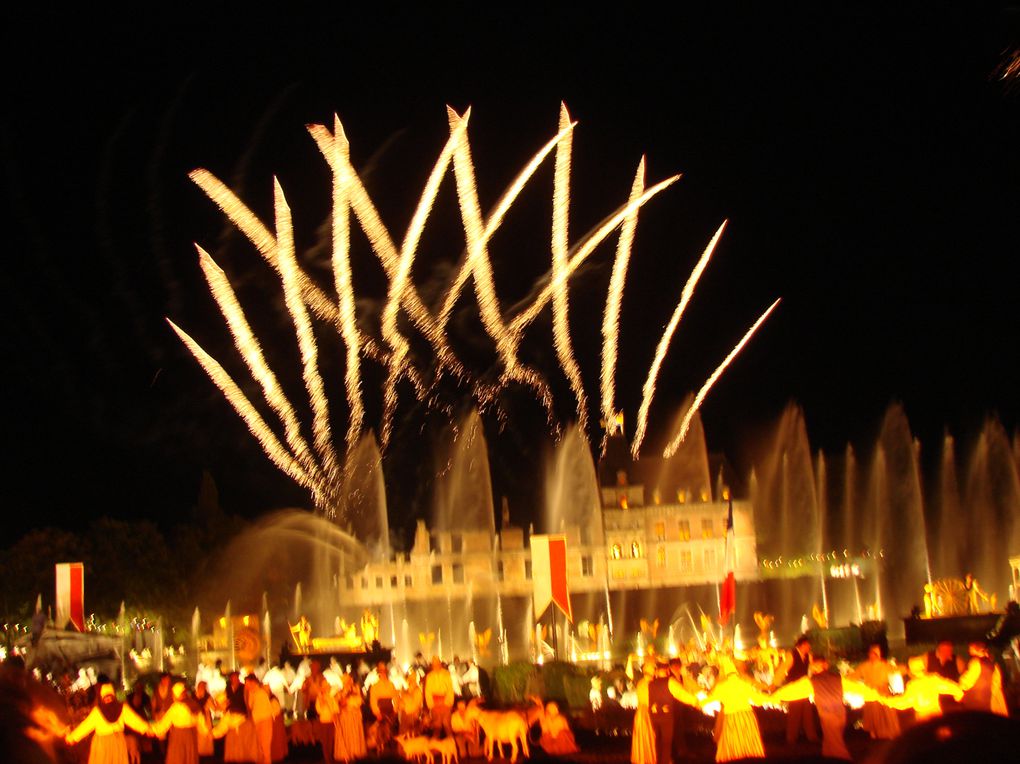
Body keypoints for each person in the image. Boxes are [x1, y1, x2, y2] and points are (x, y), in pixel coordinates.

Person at [773, 654, 878, 761]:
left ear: (821, 666)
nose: (814, 668)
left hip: (828, 716)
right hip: (840, 716)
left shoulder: (812, 681)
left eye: (815, 666)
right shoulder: (838, 679)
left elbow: (792, 690)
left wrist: (773, 696)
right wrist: (877, 695)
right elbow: (858, 688)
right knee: (830, 744)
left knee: (836, 746)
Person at [701, 659, 770, 762]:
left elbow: (709, 698)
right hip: (747, 716)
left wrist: (697, 702)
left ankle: (734, 757)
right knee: (749, 742)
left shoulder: (721, 686)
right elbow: (757, 699)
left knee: (732, 742)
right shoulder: (744, 683)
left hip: (731, 717)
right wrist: (770, 697)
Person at [65, 682, 153, 764]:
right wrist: (148, 729)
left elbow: (85, 726)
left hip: (104, 744)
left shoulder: (100, 711)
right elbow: (135, 722)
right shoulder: (120, 709)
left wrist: (72, 738)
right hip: (115, 743)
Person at [646, 659, 699, 764]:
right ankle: (665, 761)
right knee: (666, 742)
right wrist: (695, 701)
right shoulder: (670, 681)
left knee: (658, 741)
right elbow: (682, 694)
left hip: (654, 716)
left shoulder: (651, 683)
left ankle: (658, 761)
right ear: (667, 670)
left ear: (657, 671)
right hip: (666, 716)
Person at [880, 656, 964, 721]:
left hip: (923, 716)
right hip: (936, 714)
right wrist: (958, 693)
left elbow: (904, 702)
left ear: (911, 671)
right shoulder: (933, 679)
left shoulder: (913, 685)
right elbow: (949, 686)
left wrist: (887, 701)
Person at [849, 643, 903, 739]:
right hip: (870, 692)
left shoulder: (885, 665)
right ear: (869, 654)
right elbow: (854, 676)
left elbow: (897, 670)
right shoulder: (864, 666)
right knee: (872, 713)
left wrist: (907, 668)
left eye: (876, 653)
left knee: (886, 712)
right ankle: (874, 733)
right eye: (871, 653)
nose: (873, 655)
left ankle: (889, 733)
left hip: (883, 692)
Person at [778, 635, 818, 745]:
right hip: (795, 689)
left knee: (807, 713)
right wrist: (775, 684)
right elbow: (782, 669)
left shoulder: (808, 656)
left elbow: (812, 668)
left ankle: (811, 736)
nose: (809, 647)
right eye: (807, 645)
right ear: (801, 645)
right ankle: (791, 737)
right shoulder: (791, 655)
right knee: (794, 713)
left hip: (804, 689)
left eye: (809, 646)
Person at [150, 682, 202, 764]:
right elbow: (201, 722)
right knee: (189, 758)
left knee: (177, 757)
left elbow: (164, 724)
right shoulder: (195, 705)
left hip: (178, 736)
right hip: (191, 736)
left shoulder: (176, 707)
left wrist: (151, 730)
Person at [959, 641, 1008, 716]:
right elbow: (997, 684)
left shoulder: (975, 662)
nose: (968, 650)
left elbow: (966, 683)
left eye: (970, 648)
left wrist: (960, 686)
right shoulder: (994, 664)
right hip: (988, 701)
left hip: (975, 702)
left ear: (976, 649)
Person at [924, 640, 964, 713]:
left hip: (950, 698)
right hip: (932, 698)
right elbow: (920, 673)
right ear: (939, 649)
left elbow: (964, 677)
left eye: (950, 650)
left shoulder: (957, 660)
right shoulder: (928, 657)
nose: (948, 652)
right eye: (945, 650)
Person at [334, 673, 366, 763]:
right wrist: (342, 702)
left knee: (354, 733)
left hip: (354, 715)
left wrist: (348, 701)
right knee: (346, 734)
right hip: (344, 716)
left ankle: (354, 753)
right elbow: (338, 703)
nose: (346, 683)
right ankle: (346, 754)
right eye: (344, 681)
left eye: (347, 680)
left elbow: (359, 701)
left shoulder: (356, 689)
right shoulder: (340, 691)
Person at [245, 674, 273, 764]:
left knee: (265, 745)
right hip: (257, 720)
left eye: (247, 683)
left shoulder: (261, 692)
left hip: (265, 719)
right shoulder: (251, 693)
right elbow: (250, 706)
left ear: (253, 683)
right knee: (259, 745)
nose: (246, 686)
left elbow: (262, 707)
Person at [424, 657, 455, 737]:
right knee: (437, 727)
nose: (436, 666)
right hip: (435, 704)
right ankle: (435, 747)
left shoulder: (446, 674)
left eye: (437, 664)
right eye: (434, 665)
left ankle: (451, 746)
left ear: (440, 664)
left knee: (447, 725)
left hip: (445, 703)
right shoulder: (430, 676)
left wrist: (448, 703)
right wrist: (431, 705)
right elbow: (428, 691)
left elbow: (450, 689)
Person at [398, 669, 424, 735]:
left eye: (412, 679)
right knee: (403, 733)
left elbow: (416, 704)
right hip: (404, 715)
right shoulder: (405, 691)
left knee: (411, 733)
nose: (410, 681)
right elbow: (400, 702)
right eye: (409, 679)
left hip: (412, 715)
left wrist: (405, 704)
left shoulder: (417, 691)